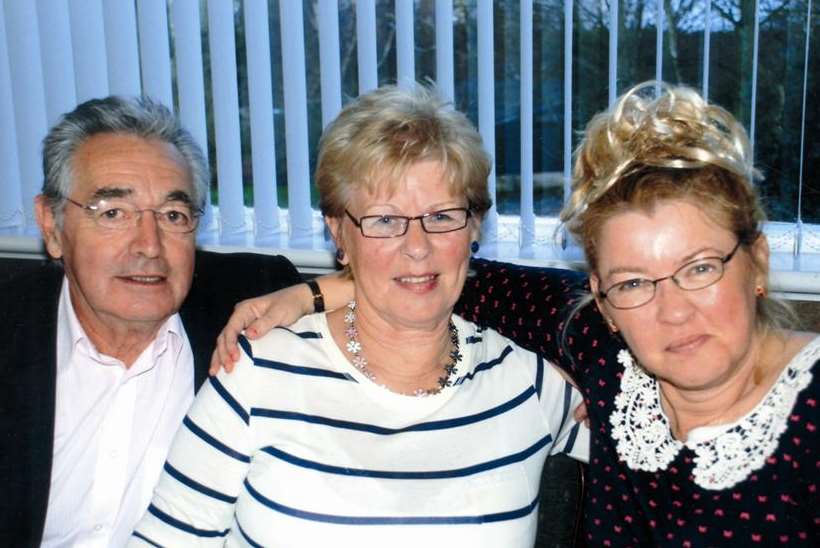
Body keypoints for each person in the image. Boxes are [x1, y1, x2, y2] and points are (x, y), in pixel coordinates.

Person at [213, 81, 819, 546]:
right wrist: (310, 294)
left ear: (758, 263)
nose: (673, 312)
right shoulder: (607, 358)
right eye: (634, 281)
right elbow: (439, 274)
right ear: (602, 300)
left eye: (701, 268)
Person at [130, 85, 588, 547]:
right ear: (339, 236)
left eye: (443, 216)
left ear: (474, 227)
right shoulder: (258, 371)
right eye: (385, 220)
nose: (417, 246)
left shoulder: (527, 384)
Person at [0, 96, 302, 547]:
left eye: (173, 215)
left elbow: (402, 280)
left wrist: (317, 292)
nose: (149, 245)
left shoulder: (251, 294)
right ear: (52, 226)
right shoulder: (10, 324)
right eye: (113, 213)